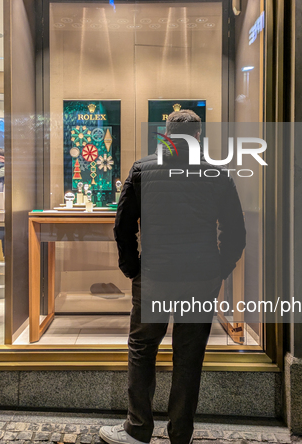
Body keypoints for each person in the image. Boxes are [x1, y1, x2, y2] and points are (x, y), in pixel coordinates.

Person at [100, 110, 246, 444]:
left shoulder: (142, 170)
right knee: (189, 356)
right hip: (199, 278)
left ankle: (138, 429)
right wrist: (221, 268)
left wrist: (133, 268)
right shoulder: (216, 174)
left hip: (155, 276)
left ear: (165, 135)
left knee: (142, 347)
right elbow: (236, 231)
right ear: (198, 137)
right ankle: (180, 433)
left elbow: (123, 226)